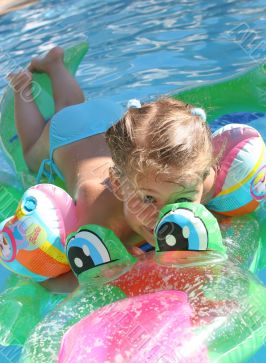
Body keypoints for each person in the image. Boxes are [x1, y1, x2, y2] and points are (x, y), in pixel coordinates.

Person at [8, 47, 265, 287]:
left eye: (184, 199)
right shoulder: (100, 209)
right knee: (32, 153)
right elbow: (70, 280)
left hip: (110, 117)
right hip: (68, 132)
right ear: (119, 185)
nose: (162, 215)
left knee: (71, 106)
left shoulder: (194, 176)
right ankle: (23, 87)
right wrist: (127, 269)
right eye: (148, 198)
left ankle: (55, 64)